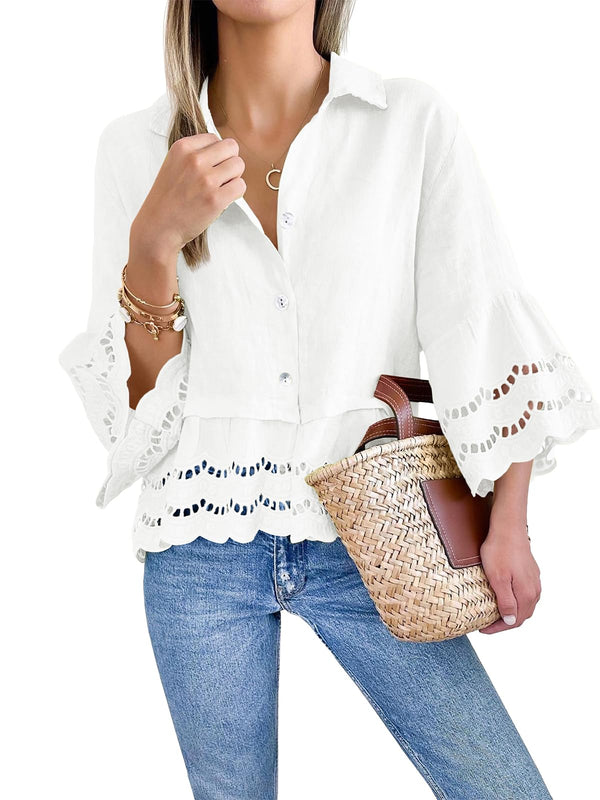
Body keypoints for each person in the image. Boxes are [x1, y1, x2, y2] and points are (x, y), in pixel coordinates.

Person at [58, 1, 600, 798]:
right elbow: (137, 417)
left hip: (382, 534)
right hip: (199, 545)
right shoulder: (136, 148)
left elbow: (482, 317)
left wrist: (509, 521)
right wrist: (152, 246)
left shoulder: (407, 121)